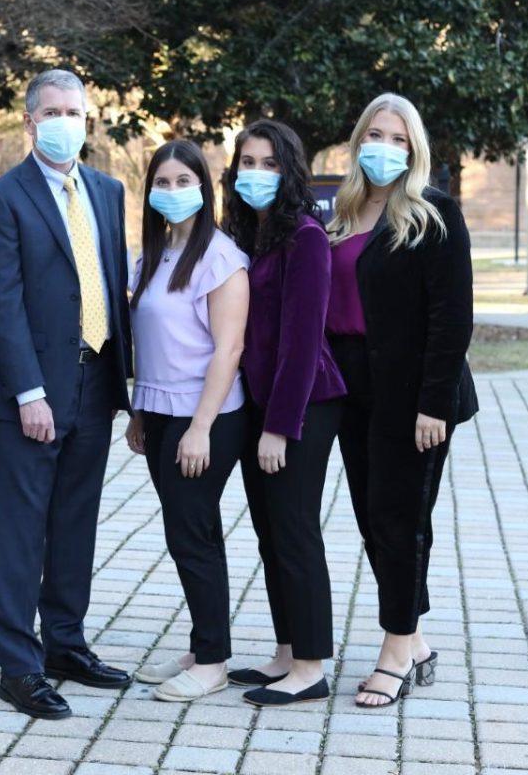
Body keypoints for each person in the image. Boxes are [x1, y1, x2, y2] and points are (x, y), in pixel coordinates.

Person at [0, 68, 133, 721]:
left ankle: (65, 642)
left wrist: (131, 390)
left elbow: (112, 285)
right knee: (21, 530)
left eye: (77, 111)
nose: (67, 121)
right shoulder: (1, 199)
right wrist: (28, 393)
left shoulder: (108, 190)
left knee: (75, 522)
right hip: (34, 393)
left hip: (96, 381)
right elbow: (1, 303)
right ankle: (20, 665)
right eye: (54, 111)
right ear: (30, 121)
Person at [326, 93, 478, 708]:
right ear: (359, 140)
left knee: (401, 519)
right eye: (375, 135)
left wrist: (432, 405)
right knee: (373, 519)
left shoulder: (434, 214)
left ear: (414, 150)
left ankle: (395, 650)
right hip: (351, 387)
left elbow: (452, 319)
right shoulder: (344, 210)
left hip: (414, 393)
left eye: (398, 139)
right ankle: (415, 638)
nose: (384, 148)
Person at [224, 119, 346, 707]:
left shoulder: (305, 237)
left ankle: (311, 665)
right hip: (256, 404)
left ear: (290, 171)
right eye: (247, 163)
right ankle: (285, 650)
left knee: (295, 530)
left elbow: (302, 341)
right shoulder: (246, 235)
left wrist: (279, 426)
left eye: (268, 164)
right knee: (270, 532)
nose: (255, 174)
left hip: (301, 405)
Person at [124, 140, 250, 702]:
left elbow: (228, 350)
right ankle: (203, 645)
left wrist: (200, 428)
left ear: (203, 187)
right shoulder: (151, 255)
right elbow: (151, 342)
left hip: (207, 418)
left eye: (184, 181)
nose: (172, 192)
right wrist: (139, 415)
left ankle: (214, 661)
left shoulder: (221, 258)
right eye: (163, 182)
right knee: (182, 533)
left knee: (194, 534)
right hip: (159, 413)